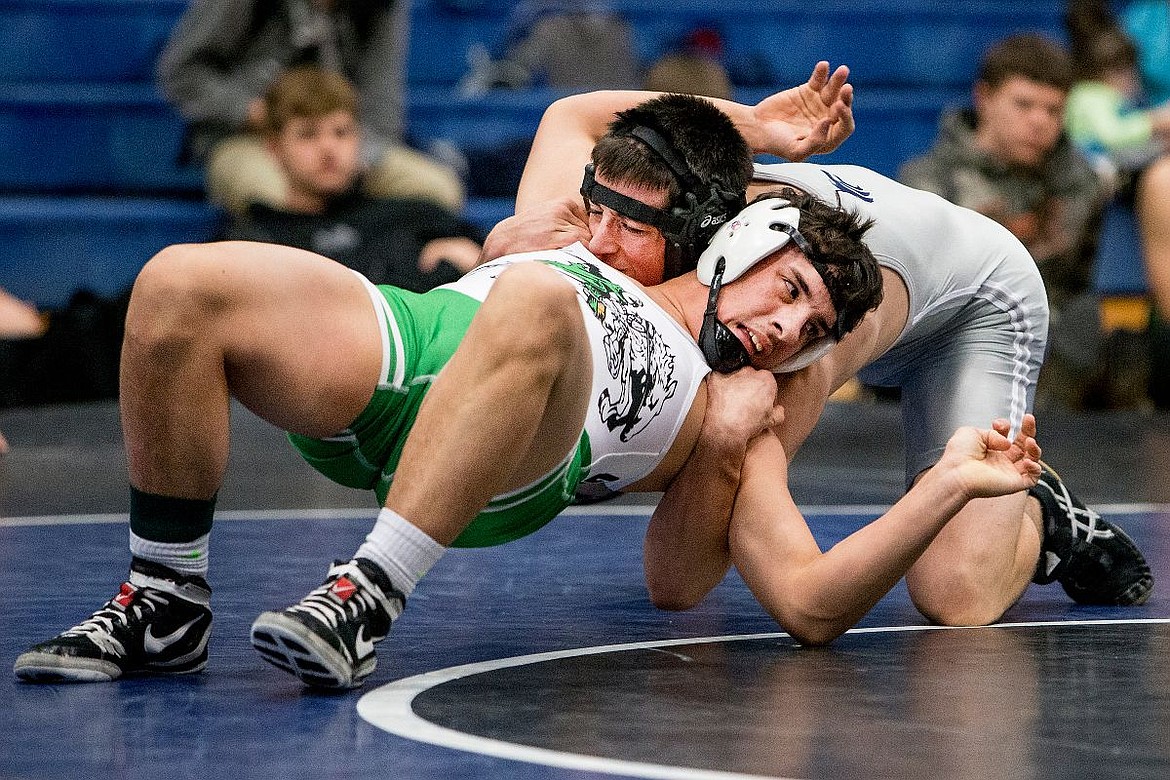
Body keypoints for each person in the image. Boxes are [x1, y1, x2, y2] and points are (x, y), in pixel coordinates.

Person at [12, 174, 1048, 689]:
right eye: (789, 294)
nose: (784, 330)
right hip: (412, 356)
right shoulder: (618, 232)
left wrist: (941, 485)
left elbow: (801, 605)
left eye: (810, 331)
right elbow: (571, 114)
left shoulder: (748, 407)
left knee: (542, 309)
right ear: (741, 240)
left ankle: (368, 593)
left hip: (519, 449)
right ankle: (164, 600)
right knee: (180, 284)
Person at [488, 72, 1153, 629]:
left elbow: (705, 589)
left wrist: (722, 443)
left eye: (630, 230)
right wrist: (755, 125)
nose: (600, 248)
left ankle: (1041, 518)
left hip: (974, 300)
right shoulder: (603, 213)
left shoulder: (778, 338)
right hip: (829, 250)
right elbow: (569, 114)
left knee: (956, 597)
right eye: (604, 220)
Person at [898, 33, 1112, 410]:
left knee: (1085, 318)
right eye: (1024, 104)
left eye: (1053, 110)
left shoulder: (1083, 185)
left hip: (1048, 348)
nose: (1039, 121)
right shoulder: (927, 183)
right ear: (984, 98)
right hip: (949, 337)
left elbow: (1074, 284)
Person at [156, 0, 464, 218]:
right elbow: (181, 73)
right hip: (252, 137)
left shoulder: (382, 6)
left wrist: (352, 152)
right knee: (270, 200)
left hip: (343, 139)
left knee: (437, 190)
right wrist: (251, 111)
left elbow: (381, 104)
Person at [223, 66, 483, 291]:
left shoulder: (416, 216)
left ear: (359, 140)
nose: (328, 147)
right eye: (308, 134)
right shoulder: (251, 241)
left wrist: (474, 260)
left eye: (341, 132)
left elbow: (499, 266)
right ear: (274, 148)